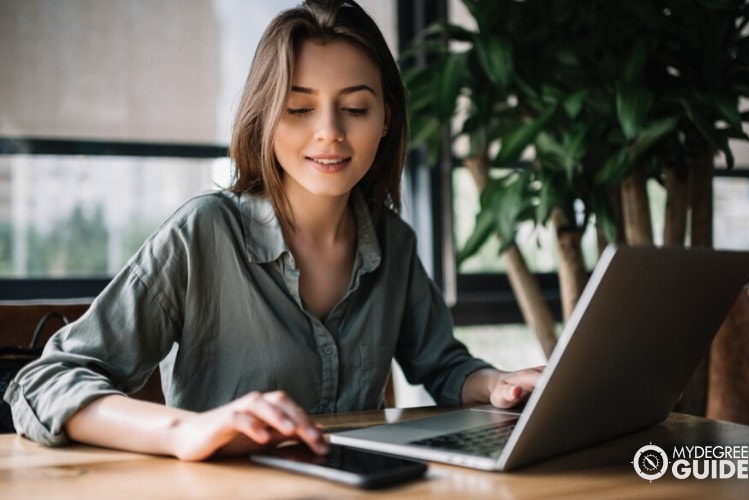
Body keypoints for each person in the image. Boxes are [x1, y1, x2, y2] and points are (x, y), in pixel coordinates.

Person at [4, 0, 542, 461]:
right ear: (263, 117)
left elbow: (444, 365)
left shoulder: (393, 243)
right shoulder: (203, 233)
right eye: (299, 108)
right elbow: (44, 382)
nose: (329, 132)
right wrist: (184, 430)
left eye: (355, 107)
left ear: (387, 120)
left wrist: (498, 385)